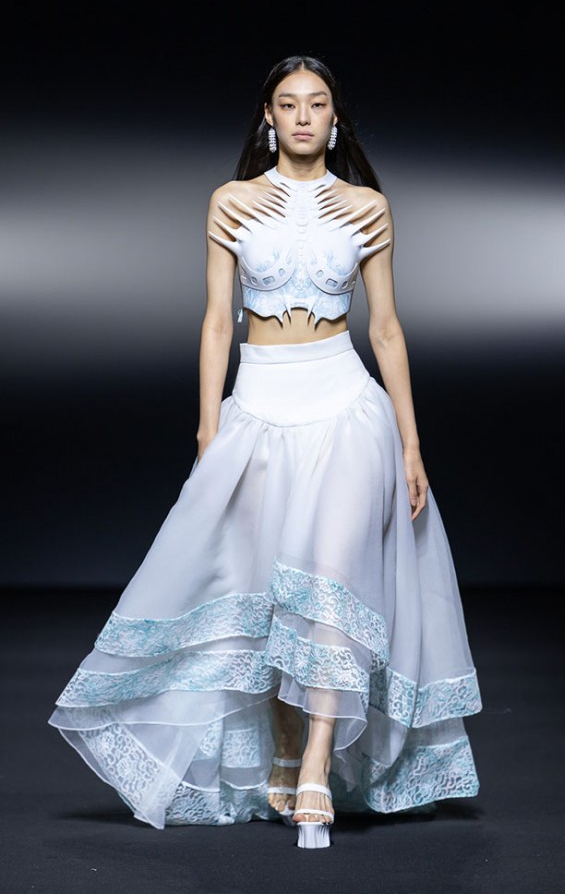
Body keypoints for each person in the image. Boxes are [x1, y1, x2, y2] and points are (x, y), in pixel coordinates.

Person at [49, 54, 482, 850]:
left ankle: (316, 764)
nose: (304, 116)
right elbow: (218, 320)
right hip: (257, 405)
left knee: (331, 580)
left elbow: (387, 328)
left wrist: (412, 441)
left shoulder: (368, 208)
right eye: (289, 104)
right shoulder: (232, 201)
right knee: (269, 589)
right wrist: (208, 427)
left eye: (317, 104)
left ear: (335, 120)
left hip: (346, 407)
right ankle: (285, 743)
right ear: (269, 118)